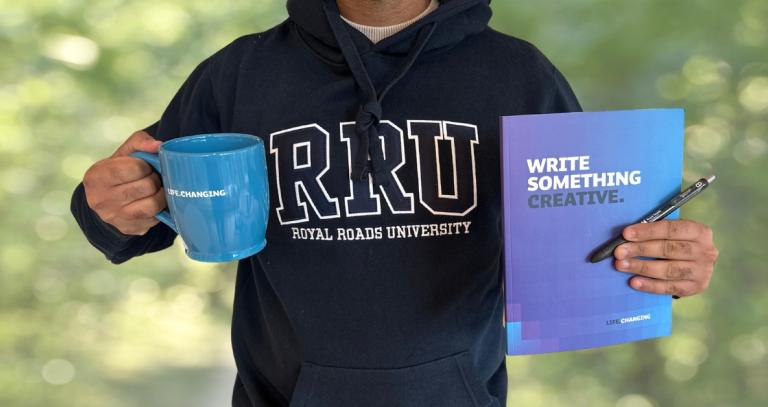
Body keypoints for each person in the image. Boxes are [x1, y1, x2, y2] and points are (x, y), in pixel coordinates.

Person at [70, 1, 720, 406]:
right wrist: (103, 203)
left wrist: (665, 268)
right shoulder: (240, 74)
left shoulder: (520, 75)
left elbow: (587, 257)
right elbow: (139, 213)